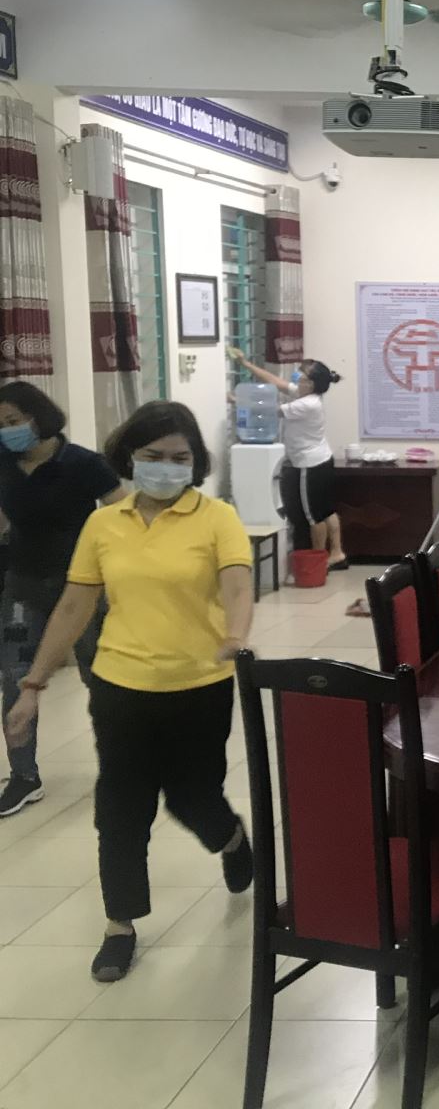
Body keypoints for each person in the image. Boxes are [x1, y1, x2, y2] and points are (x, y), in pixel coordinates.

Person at [8, 401, 255, 982]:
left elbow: (238, 585)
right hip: (120, 685)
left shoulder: (216, 518)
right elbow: (74, 606)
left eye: (180, 457)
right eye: (153, 456)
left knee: (192, 798)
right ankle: (119, 925)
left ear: (195, 462)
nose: (167, 467)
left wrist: (236, 636)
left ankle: (231, 839)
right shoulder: (104, 524)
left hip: (199, 684)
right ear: (129, 458)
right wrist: (32, 684)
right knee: (121, 806)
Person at [0, 383, 126, 817]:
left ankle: (119, 766)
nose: (7, 431)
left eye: (13, 421)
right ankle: (23, 776)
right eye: (0, 425)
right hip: (23, 585)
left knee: (98, 675)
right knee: (15, 676)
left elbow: (122, 515)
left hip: (83, 587)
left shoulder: (84, 463)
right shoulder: (4, 462)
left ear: (38, 418)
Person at [229, 349, 347, 570]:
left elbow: (271, 411)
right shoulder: (308, 395)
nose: (296, 377)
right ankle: (337, 553)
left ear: (310, 383)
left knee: (313, 516)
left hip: (309, 465)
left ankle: (318, 562)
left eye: (301, 375)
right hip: (323, 460)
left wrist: (237, 401)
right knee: (326, 510)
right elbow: (277, 383)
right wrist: (246, 364)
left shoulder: (307, 404)